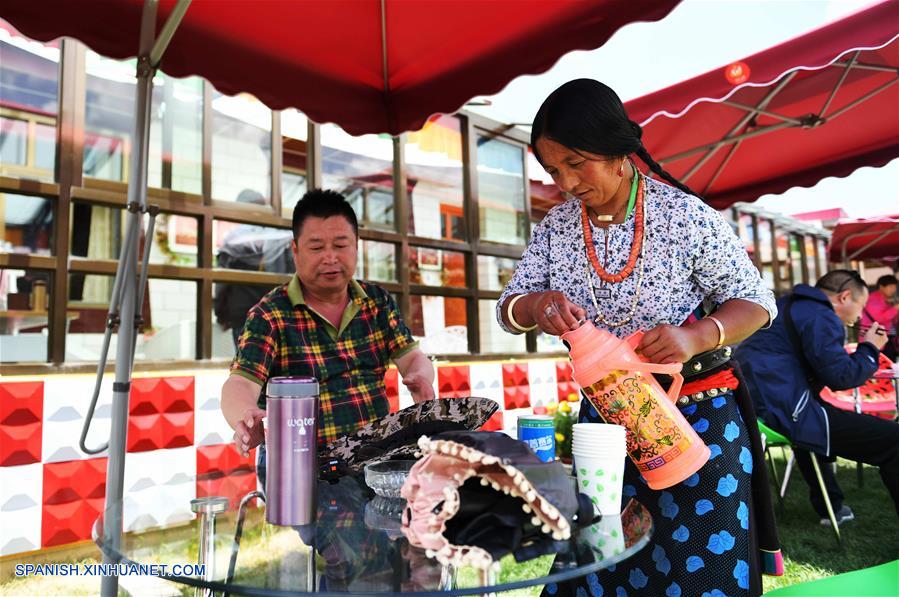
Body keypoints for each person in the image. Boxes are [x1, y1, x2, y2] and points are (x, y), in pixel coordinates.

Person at [497, 79, 780, 597]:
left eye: (576, 163)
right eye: (554, 171)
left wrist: (698, 335)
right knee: (601, 565)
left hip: (697, 420)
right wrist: (536, 305)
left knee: (701, 568)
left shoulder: (685, 216)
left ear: (619, 150)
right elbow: (508, 308)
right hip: (605, 425)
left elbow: (757, 303)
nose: (565, 182)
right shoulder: (557, 227)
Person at [221, 189, 436, 476]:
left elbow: (412, 358)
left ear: (356, 246)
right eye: (316, 247)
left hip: (375, 463)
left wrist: (421, 376)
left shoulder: (377, 303)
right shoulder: (270, 315)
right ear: (295, 251)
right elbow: (239, 384)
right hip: (301, 471)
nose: (330, 257)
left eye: (340, 245)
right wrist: (246, 420)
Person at [735, 270, 899, 526]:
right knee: (894, 440)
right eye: (861, 306)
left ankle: (831, 508)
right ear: (844, 297)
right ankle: (831, 507)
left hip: (757, 407)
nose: (860, 315)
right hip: (782, 409)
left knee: (812, 428)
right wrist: (869, 348)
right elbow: (841, 377)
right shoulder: (820, 315)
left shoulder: (788, 304)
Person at [861, 274, 899, 361]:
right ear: (881, 287)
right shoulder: (872, 299)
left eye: (894, 287)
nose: (893, 290)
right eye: (890, 287)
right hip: (875, 339)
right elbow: (879, 318)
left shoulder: (888, 300)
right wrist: (895, 308)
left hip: (888, 338)